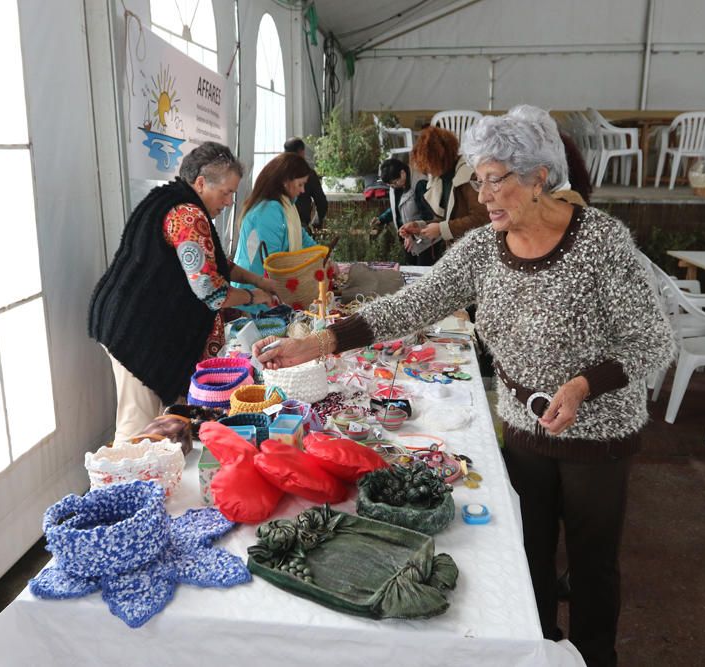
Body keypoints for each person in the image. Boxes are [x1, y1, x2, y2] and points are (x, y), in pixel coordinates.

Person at [252, 109, 675, 667]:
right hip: (526, 427)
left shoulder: (598, 242)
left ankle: (596, 657)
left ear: (540, 176)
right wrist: (320, 343)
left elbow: (652, 339)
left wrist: (581, 386)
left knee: (593, 565)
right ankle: (542, 649)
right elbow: (411, 306)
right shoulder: (483, 248)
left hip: (598, 433)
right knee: (530, 556)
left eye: (496, 179)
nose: (484, 195)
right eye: (478, 179)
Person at [88, 142, 278, 445]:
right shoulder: (188, 215)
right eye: (226, 192)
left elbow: (213, 261)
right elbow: (212, 292)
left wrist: (256, 279)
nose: (230, 201)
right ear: (201, 183)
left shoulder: (178, 202)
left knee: (163, 423)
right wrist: (255, 296)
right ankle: (124, 486)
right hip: (136, 333)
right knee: (139, 428)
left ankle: (154, 479)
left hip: (138, 323)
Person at [232, 152, 319, 309]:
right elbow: (274, 262)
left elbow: (302, 237)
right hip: (255, 296)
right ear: (286, 182)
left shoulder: (284, 206)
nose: (303, 190)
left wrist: (322, 257)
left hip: (262, 292)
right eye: (300, 184)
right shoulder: (269, 211)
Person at [397, 125, 488, 256]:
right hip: (460, 251)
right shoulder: (441, 178)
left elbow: (482, 218)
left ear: (440, 157)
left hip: (476, 252)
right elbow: (447, 219)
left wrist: (441, 229)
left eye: (428, 165)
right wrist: (419, 226)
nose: (426, 171)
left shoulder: (469, 176)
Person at [371, 158, 436, 264]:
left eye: (395, 182)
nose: (393, 186)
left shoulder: (419, 184)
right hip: (408, 238)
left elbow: (429, 216)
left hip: (426, 241)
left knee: (424, 272)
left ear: (402, 173)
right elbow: (397, 209)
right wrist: (381, 219)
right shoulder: (395, 186)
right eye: (390, 185)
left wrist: (411, 233)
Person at [284, 137, 328, 230]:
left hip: (279, 225)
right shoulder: (308, 174)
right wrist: (317, 222)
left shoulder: (277, 172)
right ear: (301, 152)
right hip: (300, 225)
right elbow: (321, 202)